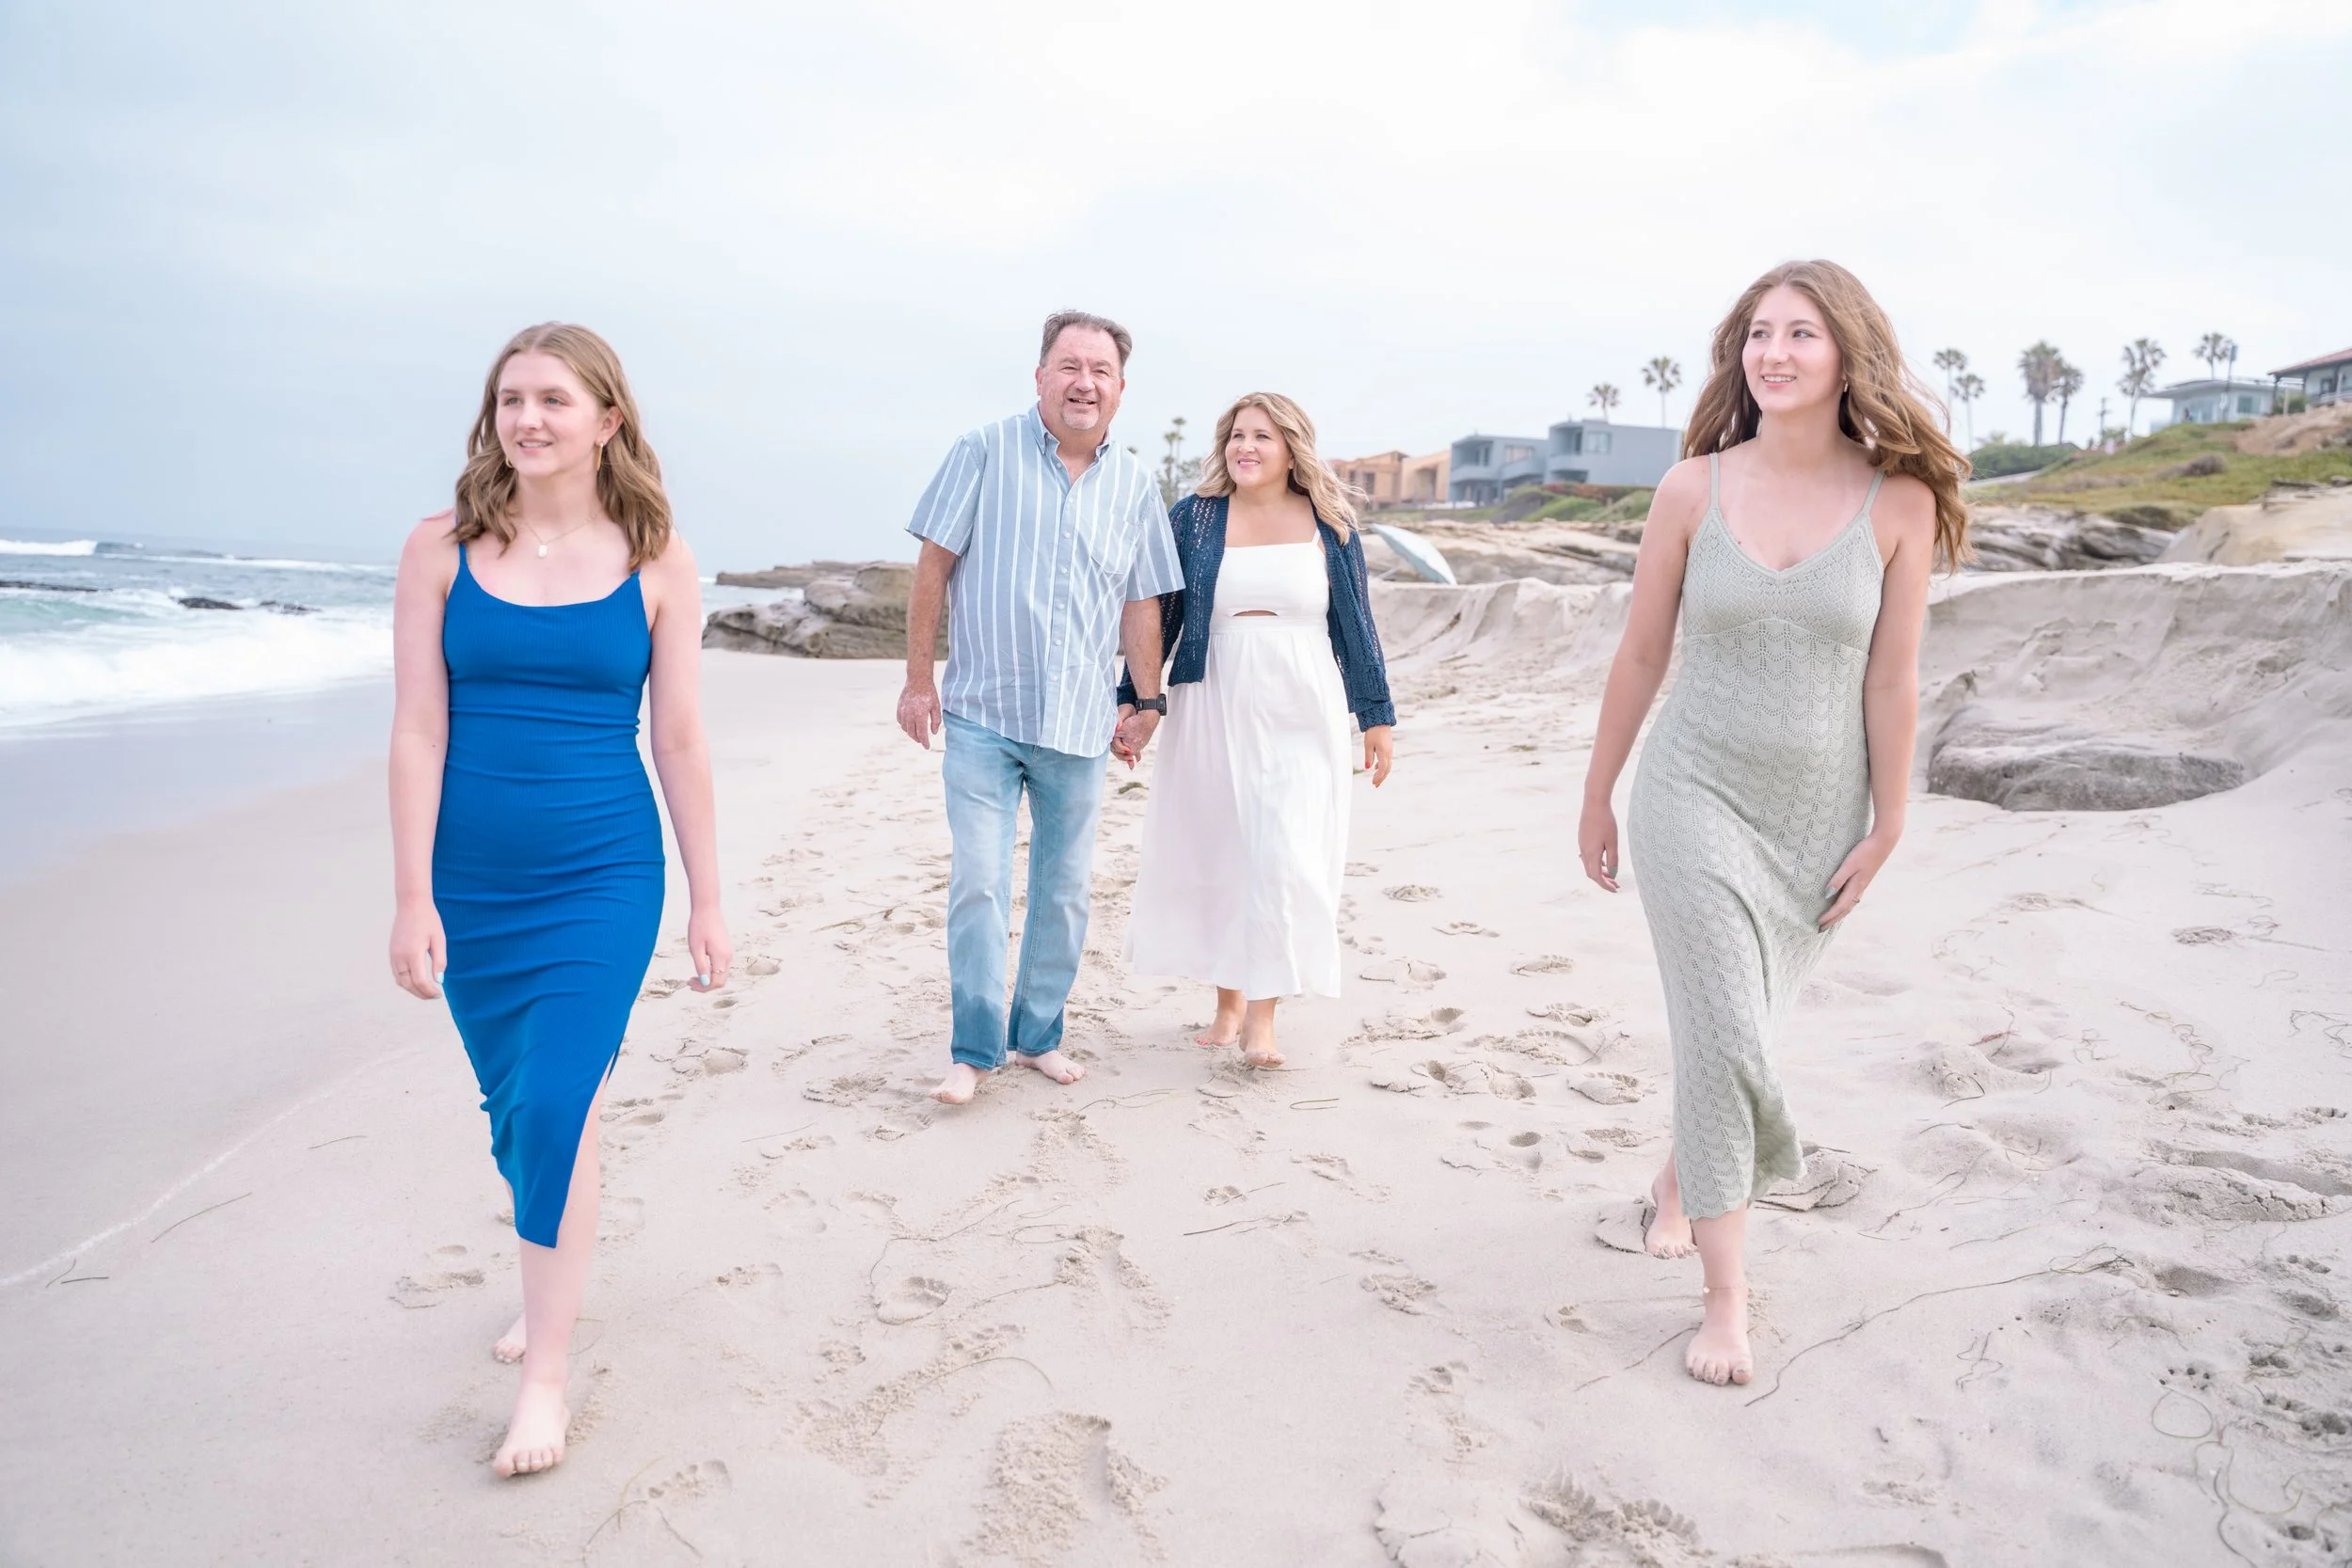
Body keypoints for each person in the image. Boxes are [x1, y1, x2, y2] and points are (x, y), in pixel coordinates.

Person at [1577, 261, 1966, 1386]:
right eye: (1757, 333)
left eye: (1800, 332)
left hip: (1816, 814)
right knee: (1730, 1035)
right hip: (1690, 790)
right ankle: (1726, 1298)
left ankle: (1675, 1177)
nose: (1774, 352)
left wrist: (1891, 820)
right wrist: (1598, 789)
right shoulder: (1691, 490)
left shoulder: (1899, 501)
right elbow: (1642, 651)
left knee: (1731, 1026)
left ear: (1846, 351)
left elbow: (1892, 683)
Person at [388, 324, 731, 1476]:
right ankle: (553, 1277)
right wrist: (409, 894)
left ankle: (547, 1371)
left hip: (601, 873)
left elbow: (679, 739)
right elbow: (417, 730)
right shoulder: (439, 548)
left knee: (556, 1104)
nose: (526, 419)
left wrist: (708, 899)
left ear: (606, 420)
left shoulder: (658, 558)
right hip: (472, 878)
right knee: (512, 1103)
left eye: (552, 399)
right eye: (509, 399)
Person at [898, 310, 1184, 1106]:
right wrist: (919, 680)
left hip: (1079, 723)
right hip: (985, 713)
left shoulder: (1133, 484)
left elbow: (1141, 602)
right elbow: (933, 568)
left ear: (1120, 390)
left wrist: (1148, 701)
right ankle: (974, 1048)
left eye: (1099, 370)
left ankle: (1039, 1037)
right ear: (1040, 376)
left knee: (1064, 889)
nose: (1083, 382)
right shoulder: (982, 451)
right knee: (981, 881)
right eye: (1069, 365)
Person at [1118, 393, 1395, 1068]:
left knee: (1282, 852)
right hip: (1215, 690)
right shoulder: (1197, 516)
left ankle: (1263, 1018)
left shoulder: (1329, 522)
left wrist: (1377, 716)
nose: (1246, 447)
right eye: (1237, 436)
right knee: (1225, 848)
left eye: (1261, 436)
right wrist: (1137, 699)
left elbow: (1355, 625)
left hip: (1303, 698)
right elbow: (1162, 612)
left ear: (1291, 446)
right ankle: (1227, 1004)